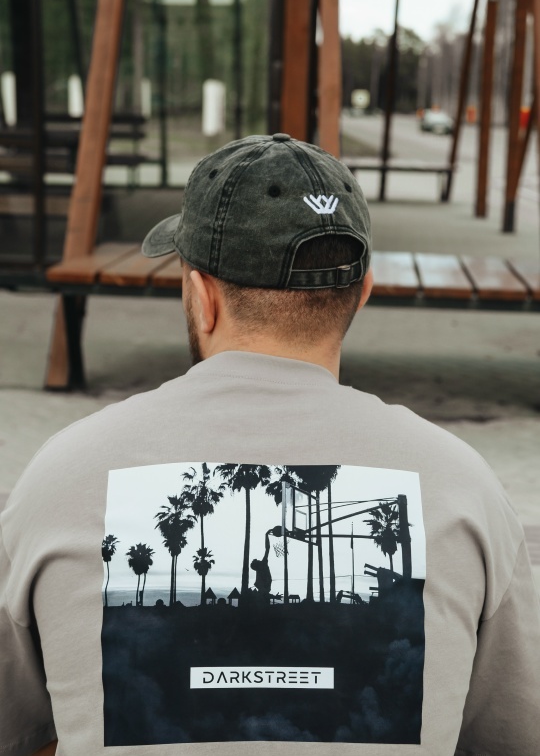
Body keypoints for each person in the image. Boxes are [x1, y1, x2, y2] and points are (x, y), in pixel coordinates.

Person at [1, 133, 539, 755]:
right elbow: (511, 735)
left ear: (201, 297)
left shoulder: (63, 474)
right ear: (362, 294)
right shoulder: (463, 486)